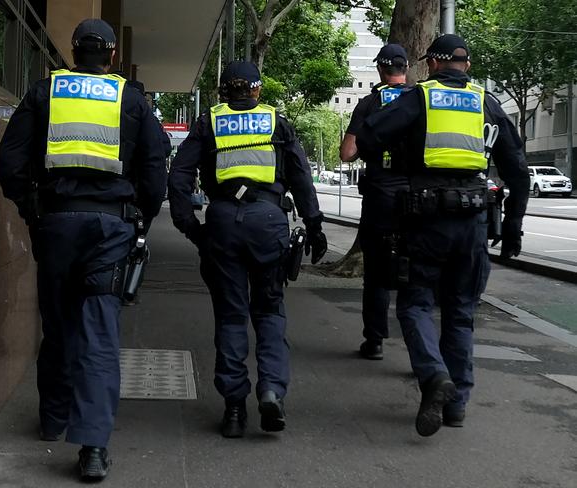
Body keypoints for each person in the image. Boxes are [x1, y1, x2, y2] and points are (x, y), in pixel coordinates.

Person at [0, 19, 167, 481]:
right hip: (111, 225)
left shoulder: (44, 90)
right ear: (111, 55)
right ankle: (92, 446)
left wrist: (31, 206)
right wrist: (143, 217)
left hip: (56, 222)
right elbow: (155, 168)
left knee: (57, 323)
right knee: (99, 332)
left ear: (73, 52)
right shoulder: (130, 98)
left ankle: (53, 420)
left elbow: (9, 161)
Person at [354, 34, 529, 437]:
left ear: (432, 64)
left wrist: (400, 154)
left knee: (415, 304)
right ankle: (457, 405)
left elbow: (366, 139)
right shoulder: (487, 103)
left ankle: (434, 376)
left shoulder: (419, 98)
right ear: (465, 65)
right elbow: (517, 171)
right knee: (461, 311)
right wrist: (514, 226)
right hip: (474, 222)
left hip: (425, 220)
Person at [168, 61, 327, 438]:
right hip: (269, 221)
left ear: (224, 92)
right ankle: (271, 389)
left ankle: (235, 409)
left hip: (223, 222)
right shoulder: (277, 122)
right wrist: (315, 225)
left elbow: (179, 177)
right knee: (270, 311)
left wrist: (191, 227)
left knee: (231, 316)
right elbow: (302, 178)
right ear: (257, 91)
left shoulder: (209, 122)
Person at [339, 44, 411, 361]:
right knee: (416, 273)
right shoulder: (421, 100)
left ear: (381, 70)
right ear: (405, 68)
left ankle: (375, 340)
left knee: (378, 273)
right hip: (417, 198)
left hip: (381, 196)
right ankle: (418, 347)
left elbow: (347, 153)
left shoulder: (370, 103)